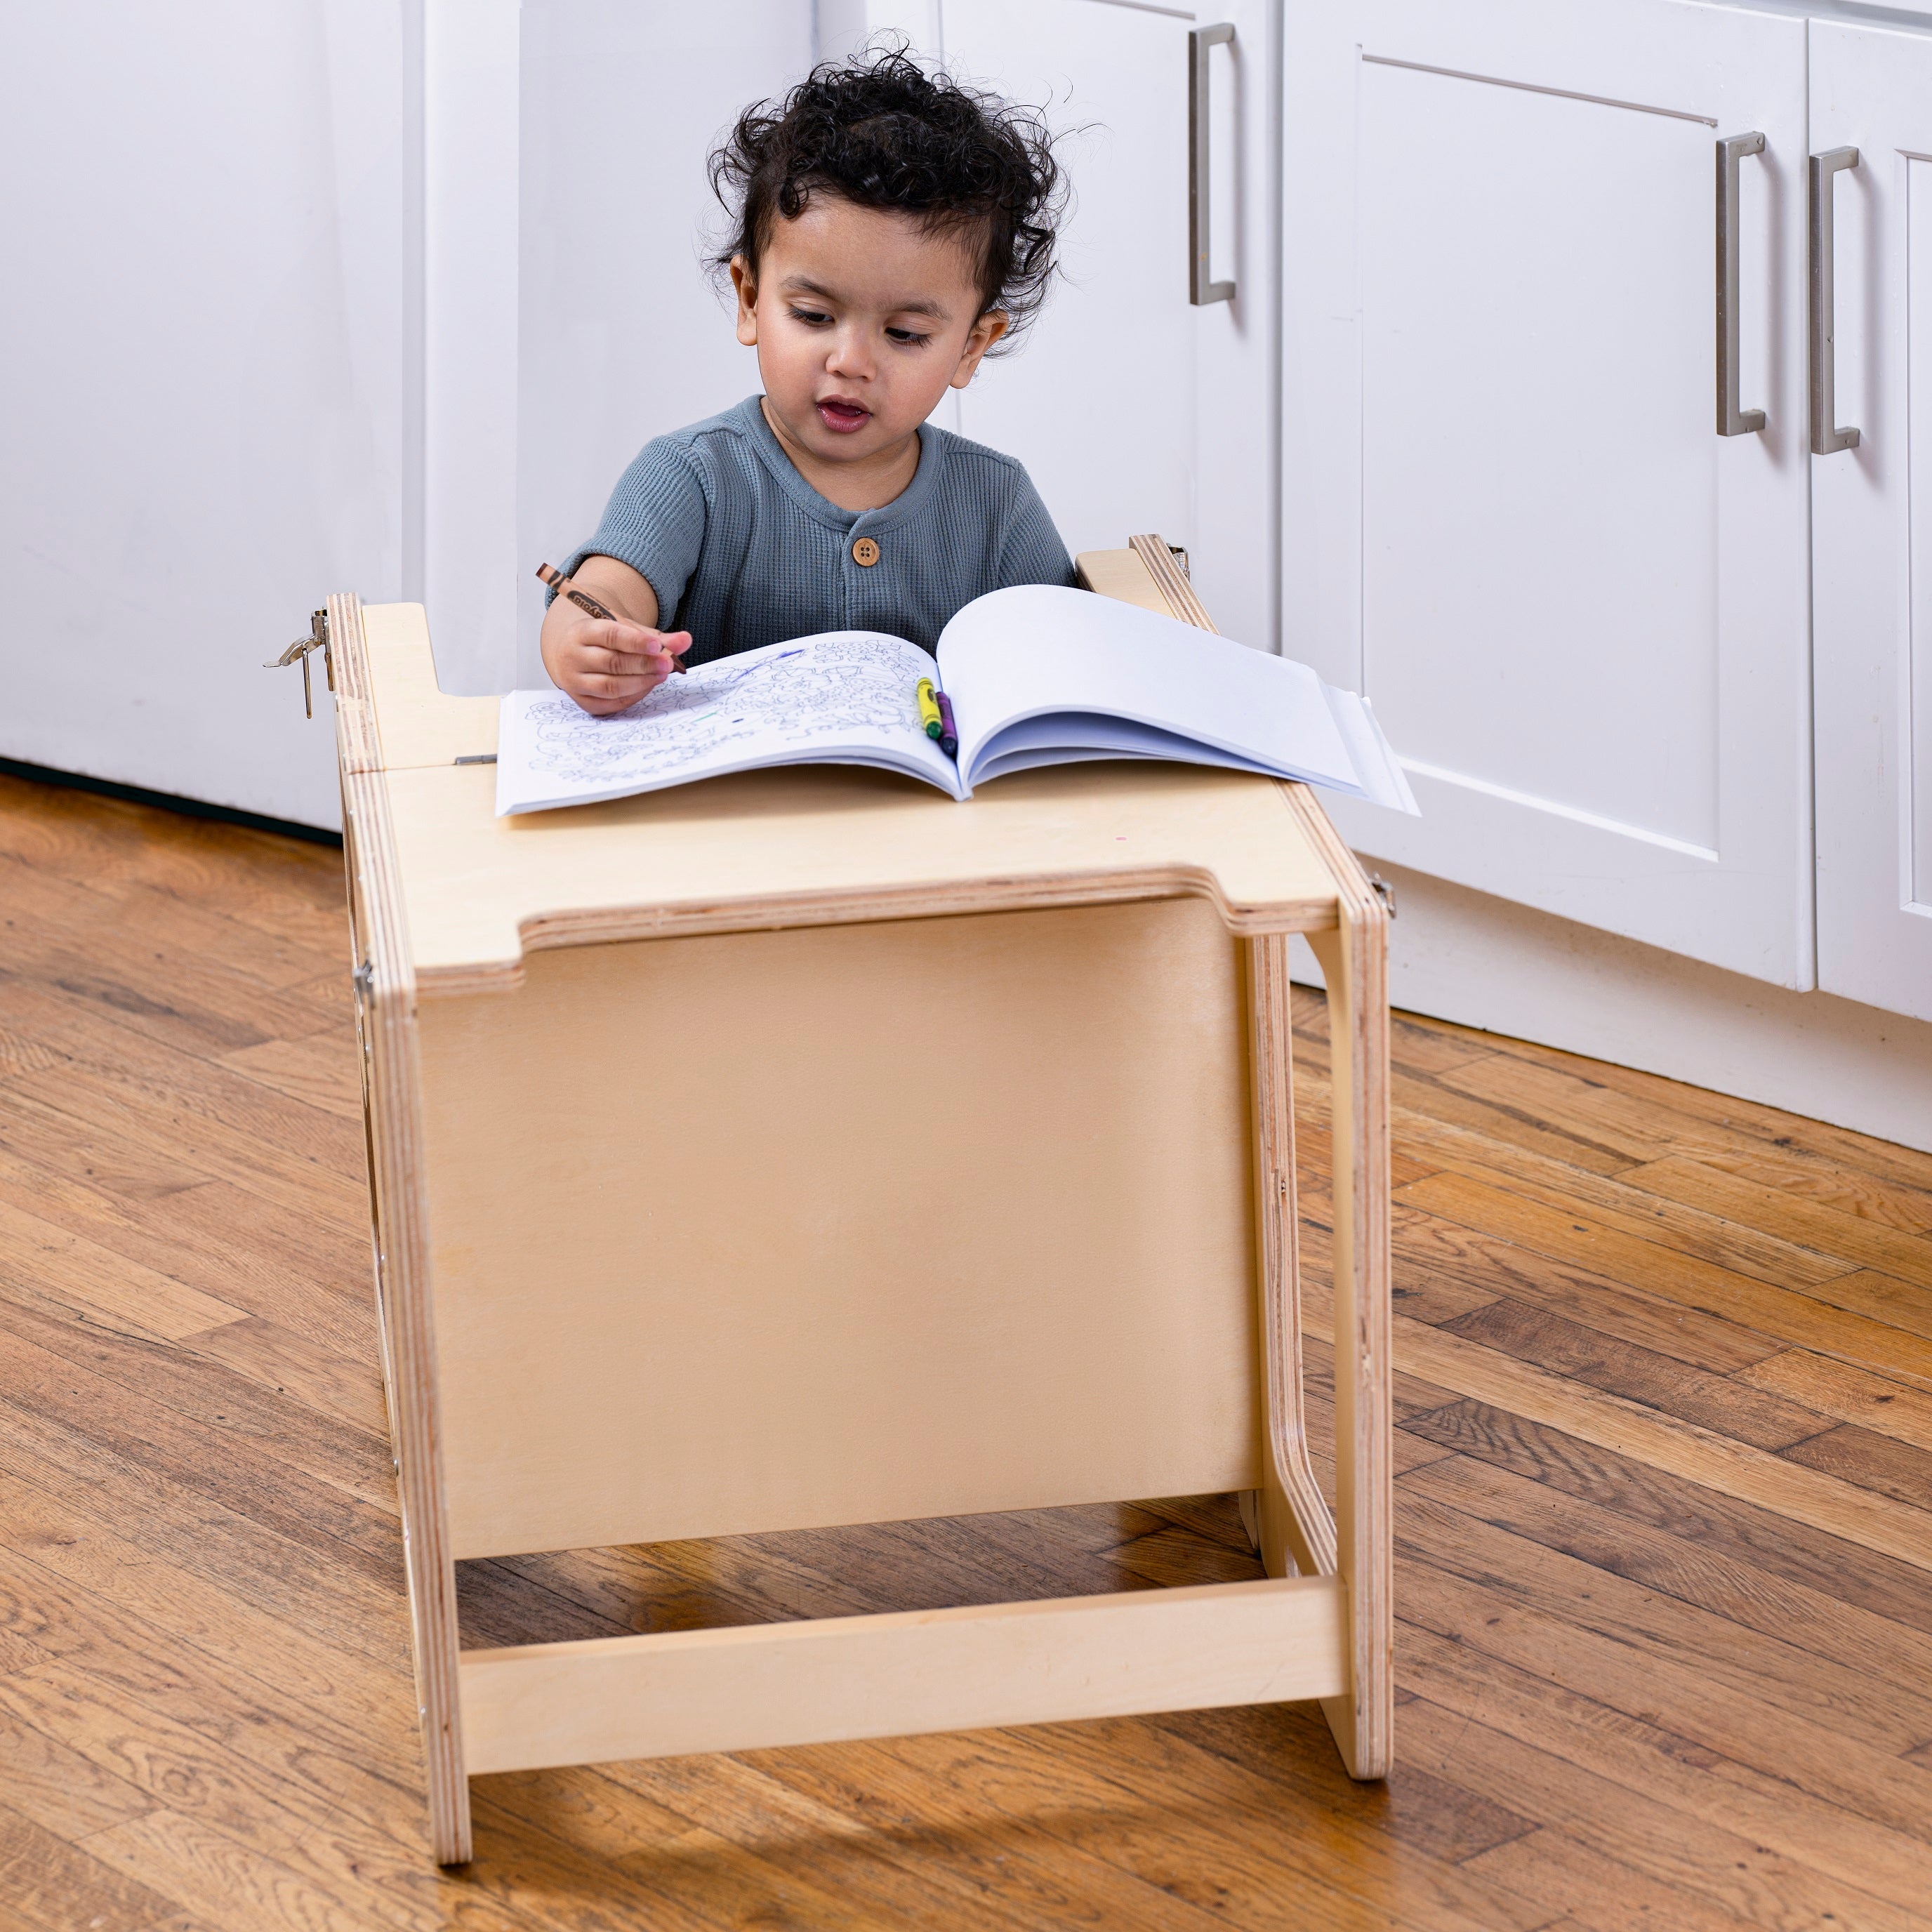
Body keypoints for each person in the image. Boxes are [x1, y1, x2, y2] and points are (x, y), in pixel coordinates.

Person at [540, 46, 1077, 716]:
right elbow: (605, 592)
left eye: (905, 334)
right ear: (749, 299)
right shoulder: (690, 476)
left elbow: (1063, 649)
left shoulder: (997, 503)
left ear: (972, 347)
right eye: (814, 316)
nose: (851, 361)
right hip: (734, 812)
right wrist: (587, 642)